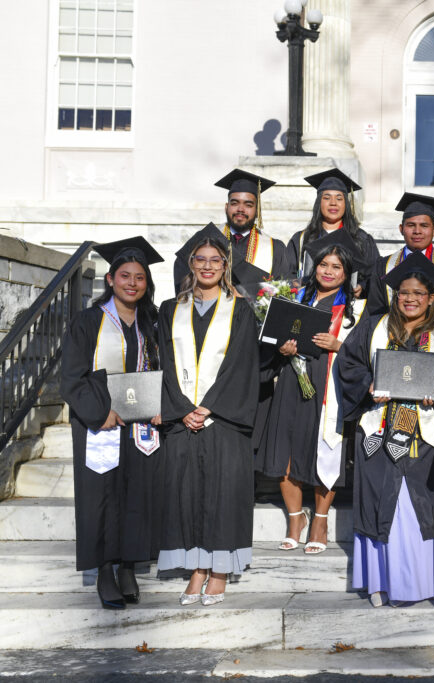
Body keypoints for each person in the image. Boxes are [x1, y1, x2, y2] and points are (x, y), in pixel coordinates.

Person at [337, 252, 434, 607]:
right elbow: (348, 364)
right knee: (379, 502)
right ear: (394, 294)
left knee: (418, 506)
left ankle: (418, 584)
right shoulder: (373, 326)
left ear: (431, 298)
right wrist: (369, 385)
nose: (411, 299)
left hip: (423, 433)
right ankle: (378, 583)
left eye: (419, 293)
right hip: (378, 428)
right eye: (404, 292)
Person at [157, 223, 260, 606]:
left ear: (225, 266)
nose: (207, 266)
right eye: (200, 259)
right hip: (183, 419)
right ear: (190, 264)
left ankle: (218, 570)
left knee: (223, 493)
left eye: (215, 260)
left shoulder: (241, 310)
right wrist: (182, 410)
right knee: (187, 493)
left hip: (224, 420)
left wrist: (209, 406)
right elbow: (164, 363)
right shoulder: (170, 310)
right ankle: (196, 567)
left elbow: (242, 364)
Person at [60, 237, 164, 610]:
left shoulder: (152, 322)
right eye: (125, 276)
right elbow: (70, 377)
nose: (132, 283)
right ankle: (105, 569)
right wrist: (98, 413)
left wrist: (160, 405)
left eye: (139, 277)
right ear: (110, 279)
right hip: (101, 423)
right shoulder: (89, 321)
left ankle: (128, 567)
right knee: (101, 497)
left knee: (137, 494)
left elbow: (161, 371)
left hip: (139, 425)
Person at [258, 230, 368, 554]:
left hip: (328, 385)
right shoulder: (294, 297)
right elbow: (270, 338)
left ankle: (320, 519)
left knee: (324, 452)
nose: (328, 271)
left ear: (346, 274)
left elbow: (366, 355)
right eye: (323, 264)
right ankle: (296, 519)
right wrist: (282, 348)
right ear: (314, 266)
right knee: (286, 453)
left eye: (336, 267)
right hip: (291, 381)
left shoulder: (356, 311)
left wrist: (339, 345)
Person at [364, 193, 434, 335]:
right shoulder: (384, 266)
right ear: (401, 229)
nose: (417, 231)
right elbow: (375, 309)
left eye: (424, 226)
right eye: (411, 225)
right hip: (393, 338)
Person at [172, 169, 289, 291]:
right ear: (226, 207)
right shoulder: (206, 237)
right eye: (234, 203)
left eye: (248, 205)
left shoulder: (275, 248)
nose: (240, 209)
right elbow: (181, 270)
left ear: (257, 210)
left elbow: (282, 293)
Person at [287, 168, 380, 286]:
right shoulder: (300, 239)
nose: (333, 203)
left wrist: (362, 288)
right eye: (326, 198)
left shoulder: (361, 239)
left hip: (349, 303)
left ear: (346, 204)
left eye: (339, 198)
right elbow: (288, 274)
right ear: (318, 203)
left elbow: (375, 274)